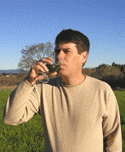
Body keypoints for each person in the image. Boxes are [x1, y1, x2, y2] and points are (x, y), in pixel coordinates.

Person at [3, 29, 122, 152]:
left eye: (66, 51)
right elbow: (10, 119)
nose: (59, 56)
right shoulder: (43, 88)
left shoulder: (102, 90)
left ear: (83, 57)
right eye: (57, 51)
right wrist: (29, 82)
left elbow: (113, 140)